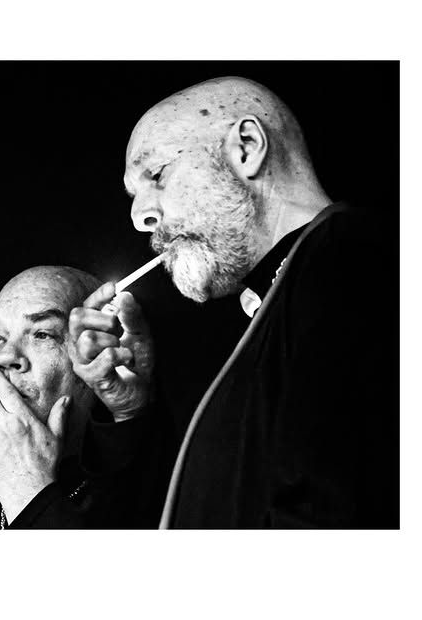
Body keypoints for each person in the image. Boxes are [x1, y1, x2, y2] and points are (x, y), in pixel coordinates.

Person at [69, 76, 398, 528]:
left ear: (246, 147)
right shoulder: (283, 293)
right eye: (134, 195)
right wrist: (129, 410)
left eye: (157, 175)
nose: (141, 217)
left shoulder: (351, 256)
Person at [0, 265, 167, 529]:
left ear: (100, 352)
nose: (4, 356)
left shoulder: (148, 491)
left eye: (42, 334)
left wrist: (26, 493)